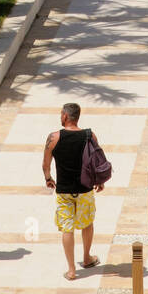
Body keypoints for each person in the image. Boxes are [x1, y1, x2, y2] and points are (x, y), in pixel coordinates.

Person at [43, 102, 105, 281]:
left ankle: (71, 270)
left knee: (67, 228)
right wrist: (99, 181)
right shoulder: (89, 135)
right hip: (85, 189)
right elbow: (98, 160)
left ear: (65, 116)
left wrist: (48, 178)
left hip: (63, 191)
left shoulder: (54, 137)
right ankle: (86, 258)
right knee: (87, 223)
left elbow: (45, 164)